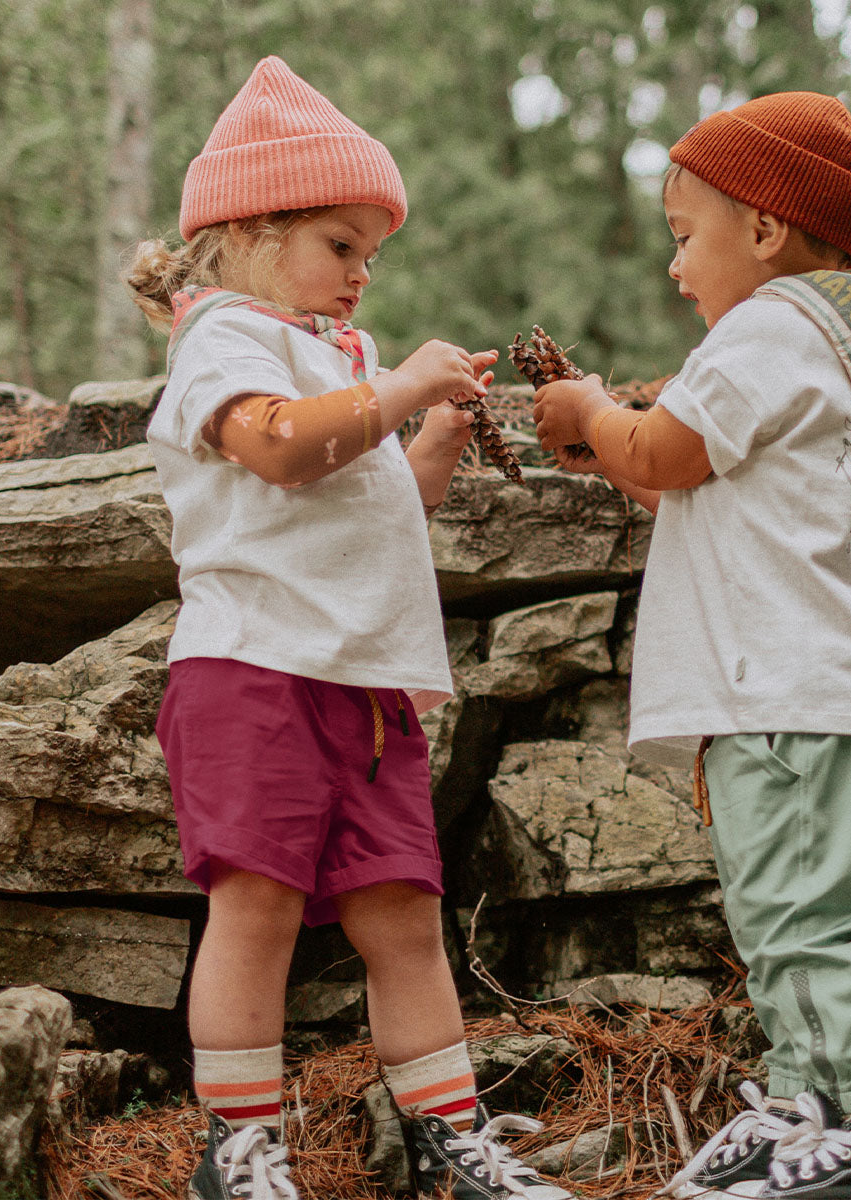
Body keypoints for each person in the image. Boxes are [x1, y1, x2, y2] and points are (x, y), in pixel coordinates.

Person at [129, 56, 579, 1200]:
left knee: (404, 915)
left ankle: (452, 1139)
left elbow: (376, 508)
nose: (361, 275)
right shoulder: (222, 340)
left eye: (372, 253)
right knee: (258, 907)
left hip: (365, 688)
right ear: (249, 229)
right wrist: (396, 393)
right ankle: (239, 1149)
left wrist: (425, 435)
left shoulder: (345, 361)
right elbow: (281, 446)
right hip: (252, 671)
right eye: (340, 244)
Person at [532, 92, 851, 1200]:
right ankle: (807, 1108)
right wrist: (617, 449)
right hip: (826, 704)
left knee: (800, 932)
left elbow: (667, 450)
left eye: (682, 235)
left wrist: (587, 411)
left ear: (764, 230)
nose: (673, 268)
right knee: (789, 925)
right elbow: (691, 482)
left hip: (792, 704)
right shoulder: (831, 354)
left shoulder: (771, 326)